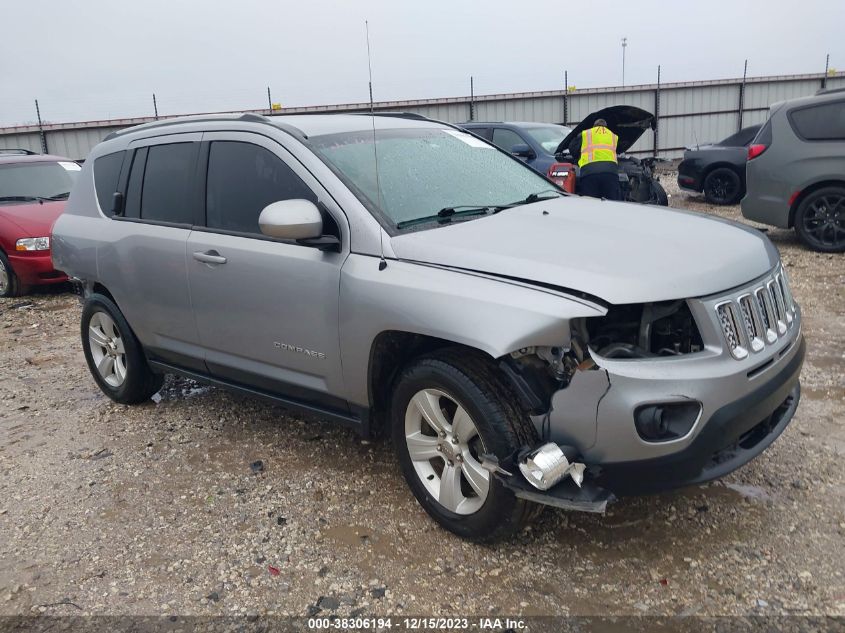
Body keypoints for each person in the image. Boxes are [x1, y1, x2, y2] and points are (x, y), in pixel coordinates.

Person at [568, 118, 622, 201]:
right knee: (611, 203)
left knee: (591, 203)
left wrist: (578, 157)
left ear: (593, 127)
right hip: (610, 174)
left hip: (589, 173)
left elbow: (572, 148)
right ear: (606, 127)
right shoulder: (613, 136)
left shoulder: (586, 134)